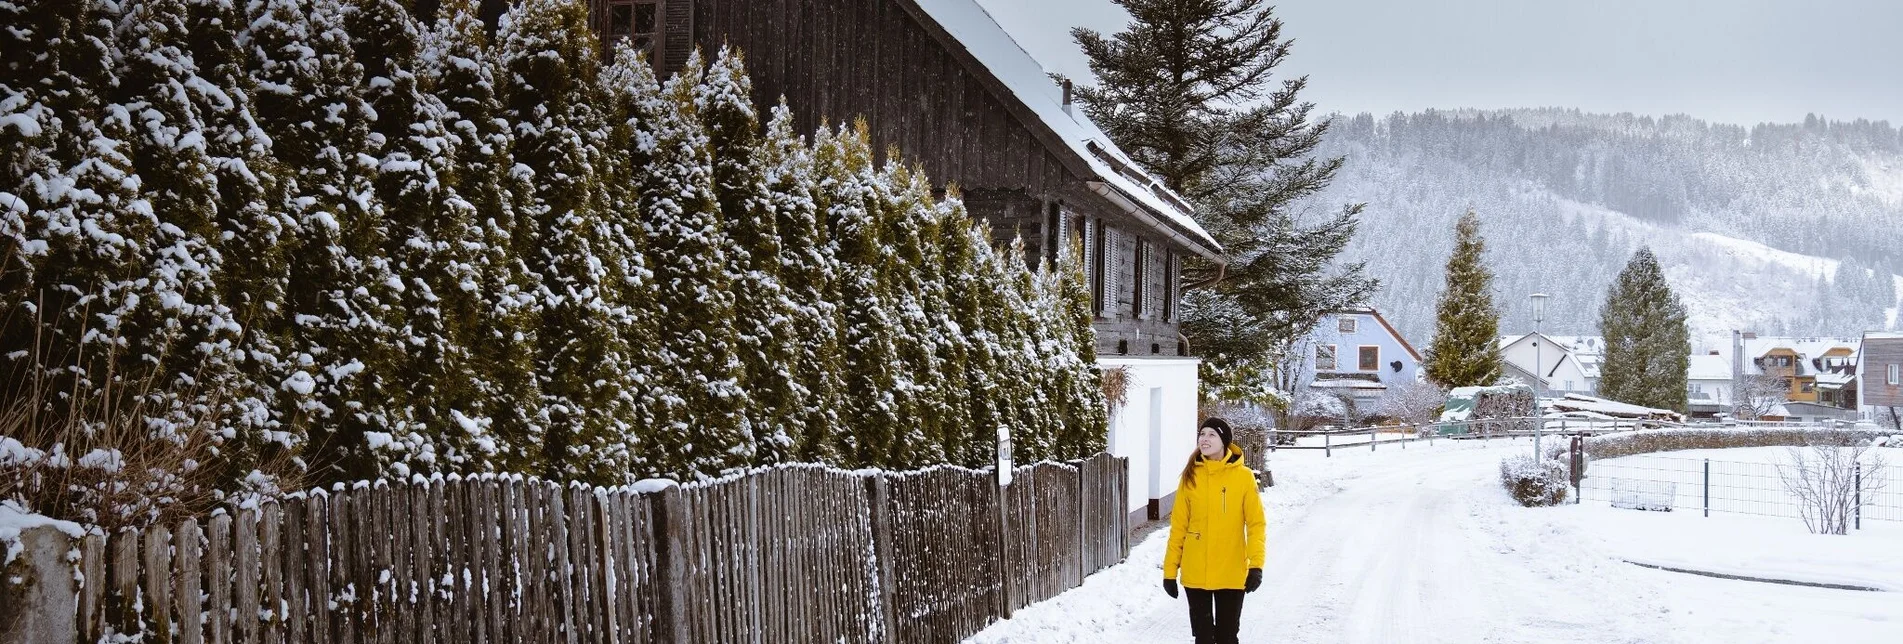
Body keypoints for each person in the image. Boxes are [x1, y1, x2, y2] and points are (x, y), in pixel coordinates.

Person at [1161, 417, 1265, 644]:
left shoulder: (1244, 477)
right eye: (1202, 434)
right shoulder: (1190, 477)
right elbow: (1178, 527)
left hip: (1231, 571)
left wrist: (1256, 565)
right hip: (1196, 571)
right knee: (1204, 638)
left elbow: (1256, 524)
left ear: (1224, 441)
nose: (1204, 439)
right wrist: (1170, 572)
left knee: (1227, 637)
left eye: (1211, 435)